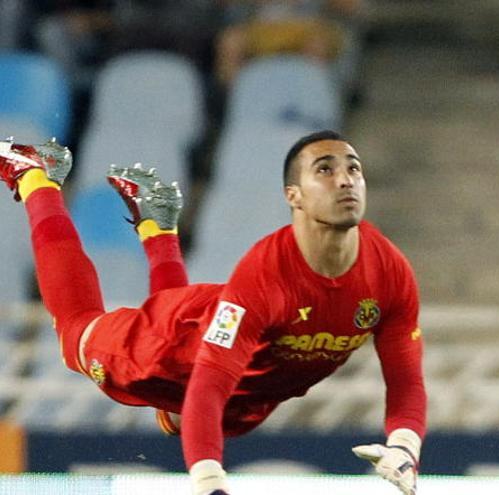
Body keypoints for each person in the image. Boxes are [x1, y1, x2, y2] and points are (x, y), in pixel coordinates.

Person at [0, 130, 426, 495]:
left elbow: (406, 379)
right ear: (292, 196)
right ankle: (37, 176)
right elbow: (206, 384)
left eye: (354, 168)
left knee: (180, 418)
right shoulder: (265, 275)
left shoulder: (389, 272)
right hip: (180, 348)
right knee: (75, 337)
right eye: (325, 170)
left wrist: (404, 448)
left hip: (246, 383)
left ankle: (158, 227)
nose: (346, 181)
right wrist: (209, 480)